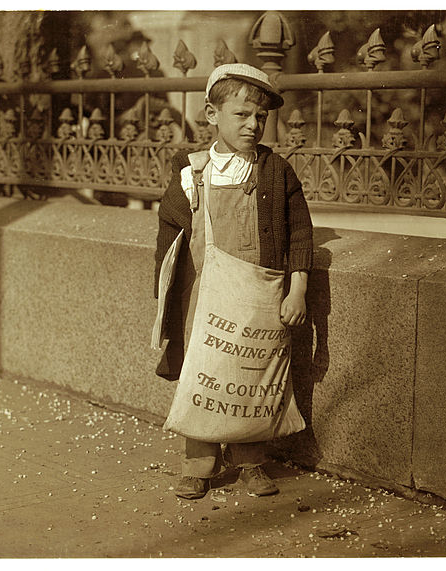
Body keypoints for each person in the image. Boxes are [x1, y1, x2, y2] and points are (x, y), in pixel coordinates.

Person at [154, 63, 313, 500]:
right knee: (204, 376)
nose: (252, 124)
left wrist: (297, 288)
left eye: (260, 117)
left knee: (254, 371)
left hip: (261, 293)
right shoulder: (192, 174)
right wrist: (167, 299)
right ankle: (198, 464)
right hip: (207, 296)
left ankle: (251, 462)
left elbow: (300, 233)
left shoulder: (275, 172)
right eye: (241, 115)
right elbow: (170, 238)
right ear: (211, 114)